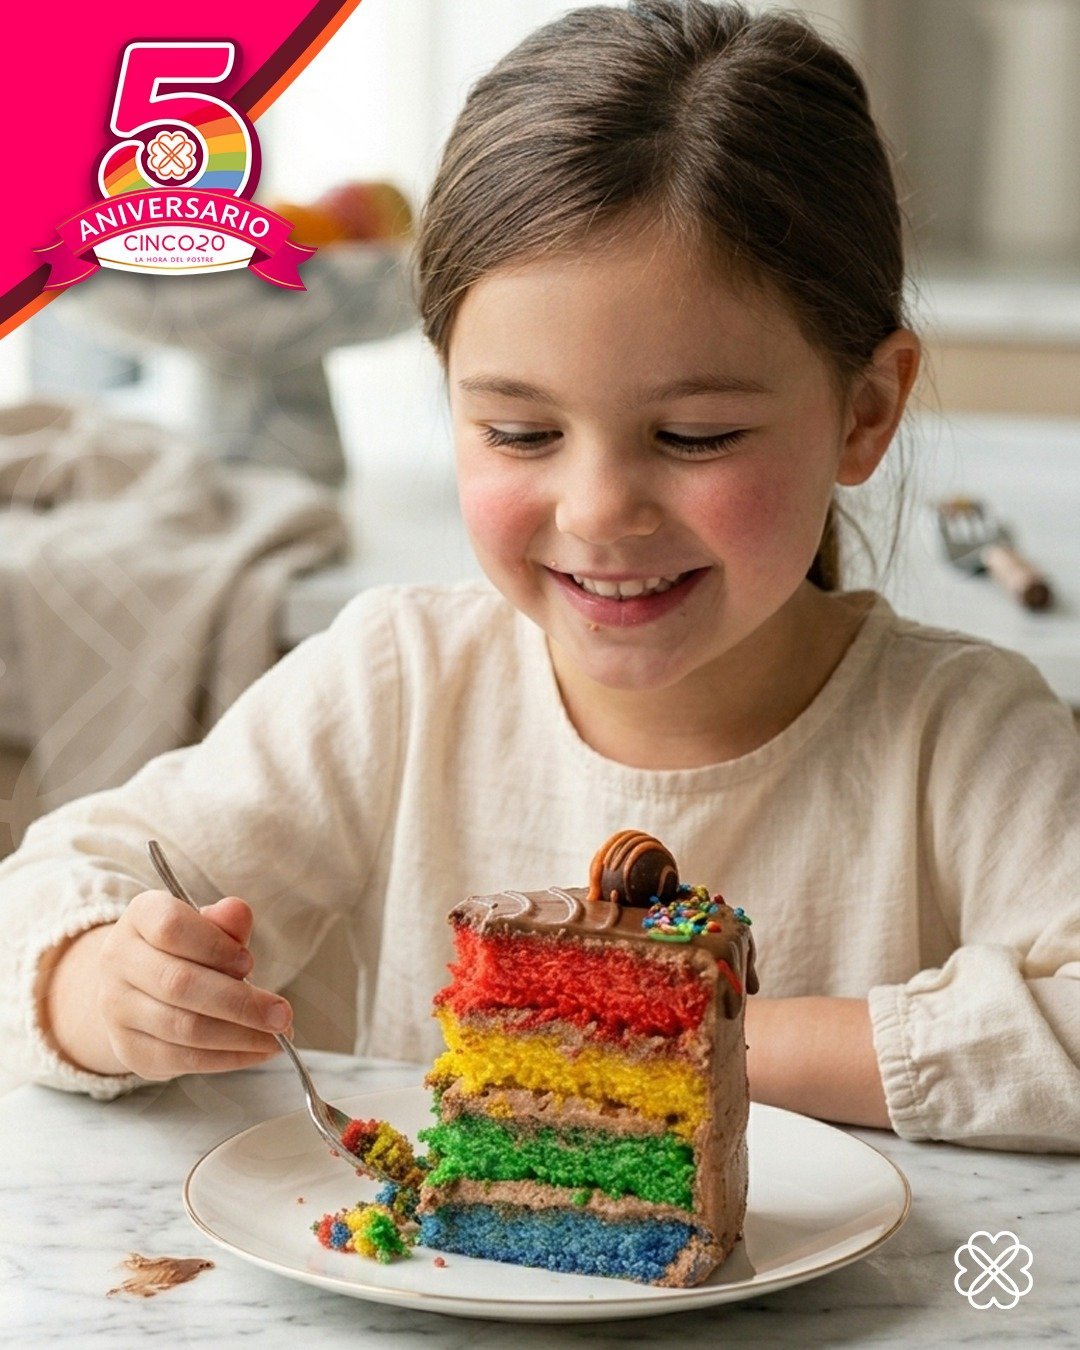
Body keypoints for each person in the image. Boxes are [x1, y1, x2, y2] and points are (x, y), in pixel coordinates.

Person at [3, 0, 1078, 1151]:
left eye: (697, 436)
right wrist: (102, 983)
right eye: (519, 434)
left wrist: (690, 1037)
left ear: (864, 412)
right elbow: (60, 884)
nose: (599, 510)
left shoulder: (966, 739)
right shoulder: (399, 682)